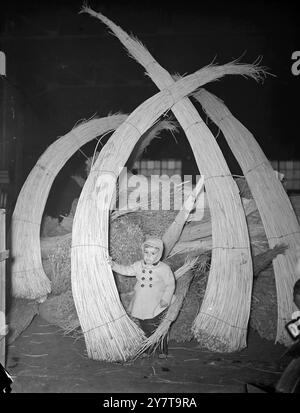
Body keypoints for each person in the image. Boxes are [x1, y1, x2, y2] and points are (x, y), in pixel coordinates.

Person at [108, 238, 175, 359]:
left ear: (159, 254)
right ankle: (148, 348)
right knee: (144, 326)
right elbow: (126, 270)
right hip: (141, 301)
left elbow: (170, 284)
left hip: (156, 302)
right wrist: (113, 265)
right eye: (146, 252)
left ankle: (162, 349)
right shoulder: (138, 265)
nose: (149, 256)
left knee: (156, 326)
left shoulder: (164, 269)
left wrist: (166, 298)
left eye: (153, 253)